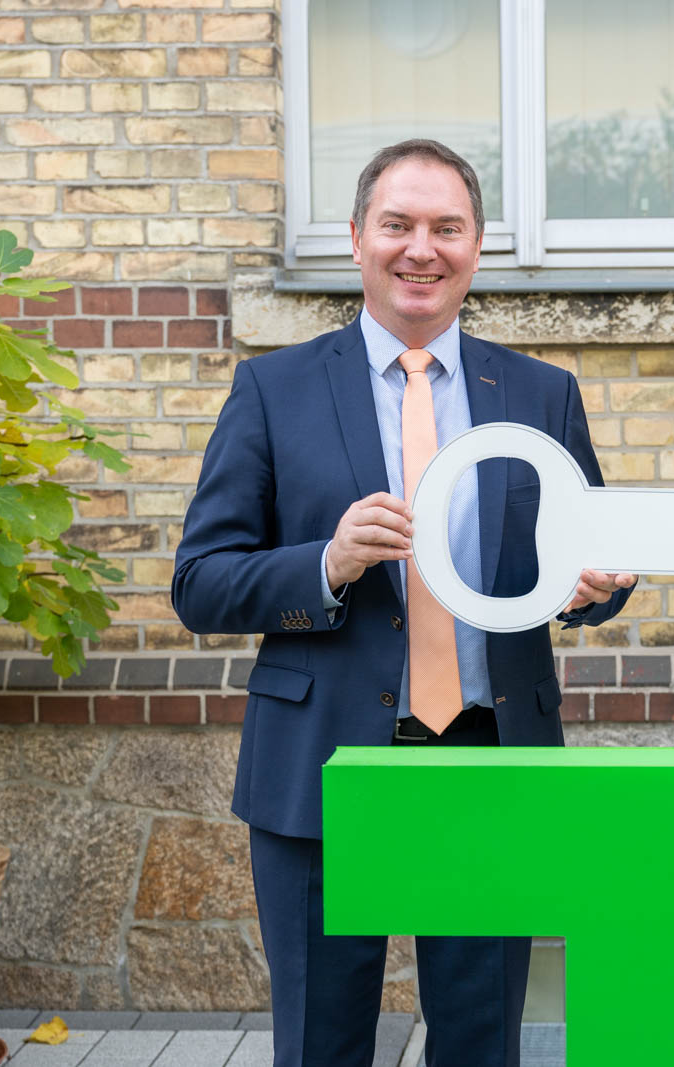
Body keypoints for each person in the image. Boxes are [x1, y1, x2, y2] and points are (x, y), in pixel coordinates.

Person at [173, 139, 633, 1067]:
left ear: (476, 248)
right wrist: (327, 563)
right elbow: (201, 581)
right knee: (321, 1043)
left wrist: (595, 591)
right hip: (323, 764)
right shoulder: (274, 388)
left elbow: (588, 564)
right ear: (357, 239)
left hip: (490, 758)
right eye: (398, 225)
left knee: (481, 1043)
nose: (422, 249)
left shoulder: (542, 393)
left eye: (446, 228)